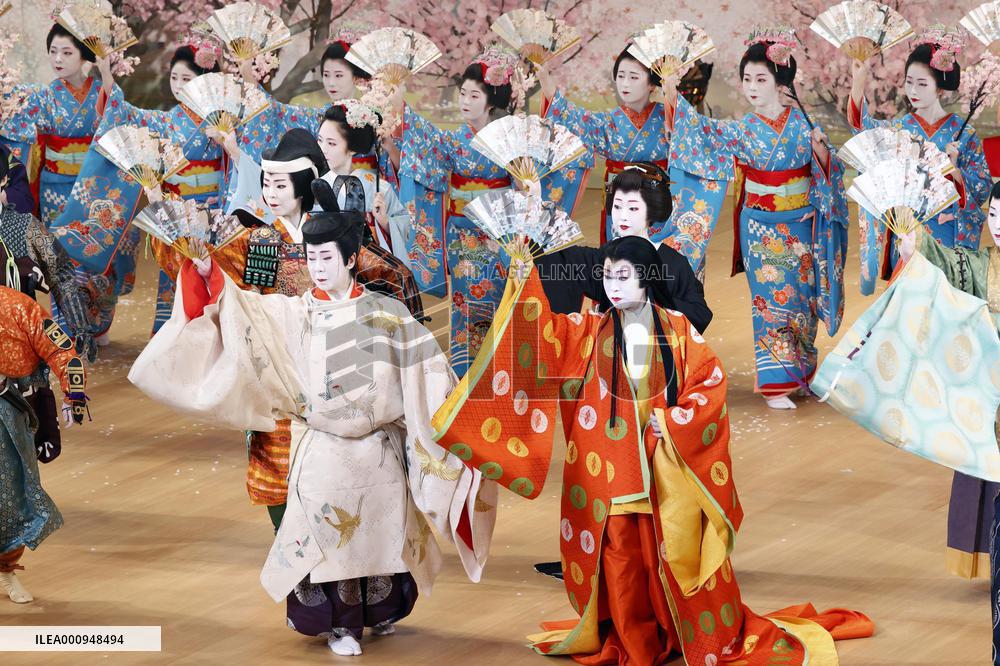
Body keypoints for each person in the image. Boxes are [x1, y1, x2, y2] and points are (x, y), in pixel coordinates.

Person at [432, 235, 872, 664]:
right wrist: (523, 278)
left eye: (624, 277)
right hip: (607, 469)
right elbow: (541, 336)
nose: (614, 286)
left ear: (645, 280)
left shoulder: (679, 332)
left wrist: (673, 421)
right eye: (607, 277)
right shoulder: (588, 330)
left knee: (670, 559)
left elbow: (709, 383)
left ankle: (677, 633)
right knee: (621, 564)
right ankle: (632, 643)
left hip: (663, 469)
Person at [129, 178, 494, 656]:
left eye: (327, 257)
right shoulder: (293, 313)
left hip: (377, 445)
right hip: (322, 445)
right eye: (312, 257)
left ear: (348, 259)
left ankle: (380, 612)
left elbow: (428, 375)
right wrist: (208, 275)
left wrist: (457, 423)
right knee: (332, 533)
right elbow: (244, 313)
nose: (318, 267)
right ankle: (341, 625)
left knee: (384, 526)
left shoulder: (387, 313)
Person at [145, 130, 422, 536]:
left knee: (340, 458)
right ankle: (290, 544)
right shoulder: (256, 237)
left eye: (280, 184)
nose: (271, 193)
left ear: (304, 186)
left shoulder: (333, 233)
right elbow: (204, 265)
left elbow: (389, 274)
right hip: (275, 361)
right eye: (266, 184)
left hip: (336, 361)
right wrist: (175, 230)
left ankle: (339, 539)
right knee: (276, 459)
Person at [664, 27, 848, 410]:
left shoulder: (802, 127)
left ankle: (800, 374)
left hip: (801, 223)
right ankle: (776, 383)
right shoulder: (743, 129)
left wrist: (822, 153)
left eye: (761, 79)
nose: (751, 86)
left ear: (782, 83)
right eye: (747, 78)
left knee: (802, 301)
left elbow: (831, 173)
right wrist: (671, 93)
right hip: (761, 227)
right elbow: (698, 134)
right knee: (770, 300)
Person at [396, 46, 583, 376]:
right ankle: (467, 379)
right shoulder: (453, 139)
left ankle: (503, 376)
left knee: (502, 304)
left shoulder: (513, 136)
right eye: (463, 94)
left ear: (491, 100)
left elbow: (542, 172)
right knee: (466, 307)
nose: (465, 101)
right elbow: (421, 145)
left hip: (500, 237)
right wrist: (398, 103)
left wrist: (527, 189)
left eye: (473, 95)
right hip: (463, 237)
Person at [539, 45, 727, 272]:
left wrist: (672, 95)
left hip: (659, 202)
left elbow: (694, 134)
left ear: (650, 84)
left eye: (633, 77)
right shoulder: (608, 121)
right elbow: (573, 119)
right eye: (621, 76)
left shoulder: (668, 116)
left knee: (660, 262)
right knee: (623, 262)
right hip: (621, 202)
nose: (625, 83)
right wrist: (550, 90)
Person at [1, 24, 133, 347]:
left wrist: (107, 75)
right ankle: (66, 327)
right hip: (55, 188)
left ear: (84, 56)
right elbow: (12, 127)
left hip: (96, 188)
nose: (57, 59)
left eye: (67, 52)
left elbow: (119, 121)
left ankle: (96, 323)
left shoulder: (102, 91)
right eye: (53, 51)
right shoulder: (44, 96)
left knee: (98, 257)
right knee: (60, 258)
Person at [898, 182, 1000, 587]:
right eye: (993, 215)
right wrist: (915, 247)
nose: (998, 225)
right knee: (987, 468)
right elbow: (949, 265)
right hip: (991, 385)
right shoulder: (985, 264)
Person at [88, 41, 228, 333]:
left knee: (209, 270)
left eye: (186, 79)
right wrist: (107, 76)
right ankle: (170, 333)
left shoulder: (222, 120)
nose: (178, 85)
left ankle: (211, 333)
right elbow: (125, 113)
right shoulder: (166, 121)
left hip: (213, 209)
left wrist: (228, 141)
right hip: (177, 210)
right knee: (173, 273)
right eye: (174, 78)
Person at [848, 28, 992, 294]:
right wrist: (858, 81)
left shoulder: (964, 134)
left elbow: (981, 188)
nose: (913, 90)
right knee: (908, 313)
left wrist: (956, 173)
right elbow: (864, 133)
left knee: (942, 310)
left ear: (940, 87)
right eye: (909, 81)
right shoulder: (900, 130)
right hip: (908, 234)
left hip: (947, 236)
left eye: (922, 84)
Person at [537, 164, 711, 331]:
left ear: (651, 210)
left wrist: (650, 302)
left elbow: (700, 313)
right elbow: (561, 258)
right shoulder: (605, 256)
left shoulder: (672, 263)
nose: (623, 216)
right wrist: (534, 201)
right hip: (609, 349)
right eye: (618, 206)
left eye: (633, 208)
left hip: (657, 350)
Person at [0, 286, 86, 604]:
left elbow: (61, 350)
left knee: (12, 497)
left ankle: (6, 570)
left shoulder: (20, 307)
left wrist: (74, 395)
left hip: (7, 414)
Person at [317, 101, 410, 267]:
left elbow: (405, 226)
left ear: (352, 148)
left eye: (331, 143)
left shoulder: (378, 189)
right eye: (320, 140)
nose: (323, 149)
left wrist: (385, 222)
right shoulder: (317, 185)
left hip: (369, 270)